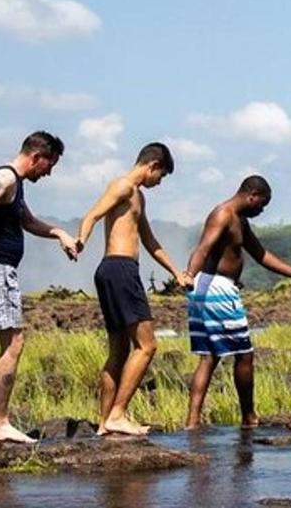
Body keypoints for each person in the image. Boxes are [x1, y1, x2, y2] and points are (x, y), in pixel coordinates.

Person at [0, 131, 80, 443]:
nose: (49, 172)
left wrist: (59, 234)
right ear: (37, 157)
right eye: (49, 165)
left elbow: (27, 221)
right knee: (14, 342)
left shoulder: (16, 184)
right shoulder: (7, 177)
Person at [76, 142, 193, 436]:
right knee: (147, 346)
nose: (159, 182)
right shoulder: (124, 186)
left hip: (113, 271)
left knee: (119, 350)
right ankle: (118, 413)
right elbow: (92, 215)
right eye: (161, 176)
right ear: (152, 166)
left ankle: (105, 422)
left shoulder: (138, 197)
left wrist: (176, 272)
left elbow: (151, 242)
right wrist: (80, 241)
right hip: (120, 269)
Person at [183, 175, 291, 429]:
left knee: (210, 357)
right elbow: (203, 248)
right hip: (216, 287)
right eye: (262, 204)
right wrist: (188, 275)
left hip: (210, 287)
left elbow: (261, 255)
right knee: (244, 356)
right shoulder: (223, 214)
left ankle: (192, 422)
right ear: (252, 195)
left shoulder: (240, 220)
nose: (262, 210)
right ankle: (248, 417)